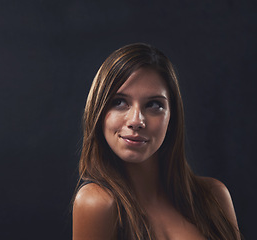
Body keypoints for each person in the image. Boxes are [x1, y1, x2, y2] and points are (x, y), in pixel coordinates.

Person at [72, 43, 241, 240]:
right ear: (99, 113)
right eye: (119, 102)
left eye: (154, 105)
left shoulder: (213, 196)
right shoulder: (96, 203)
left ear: (171, 119)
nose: (136, 120)